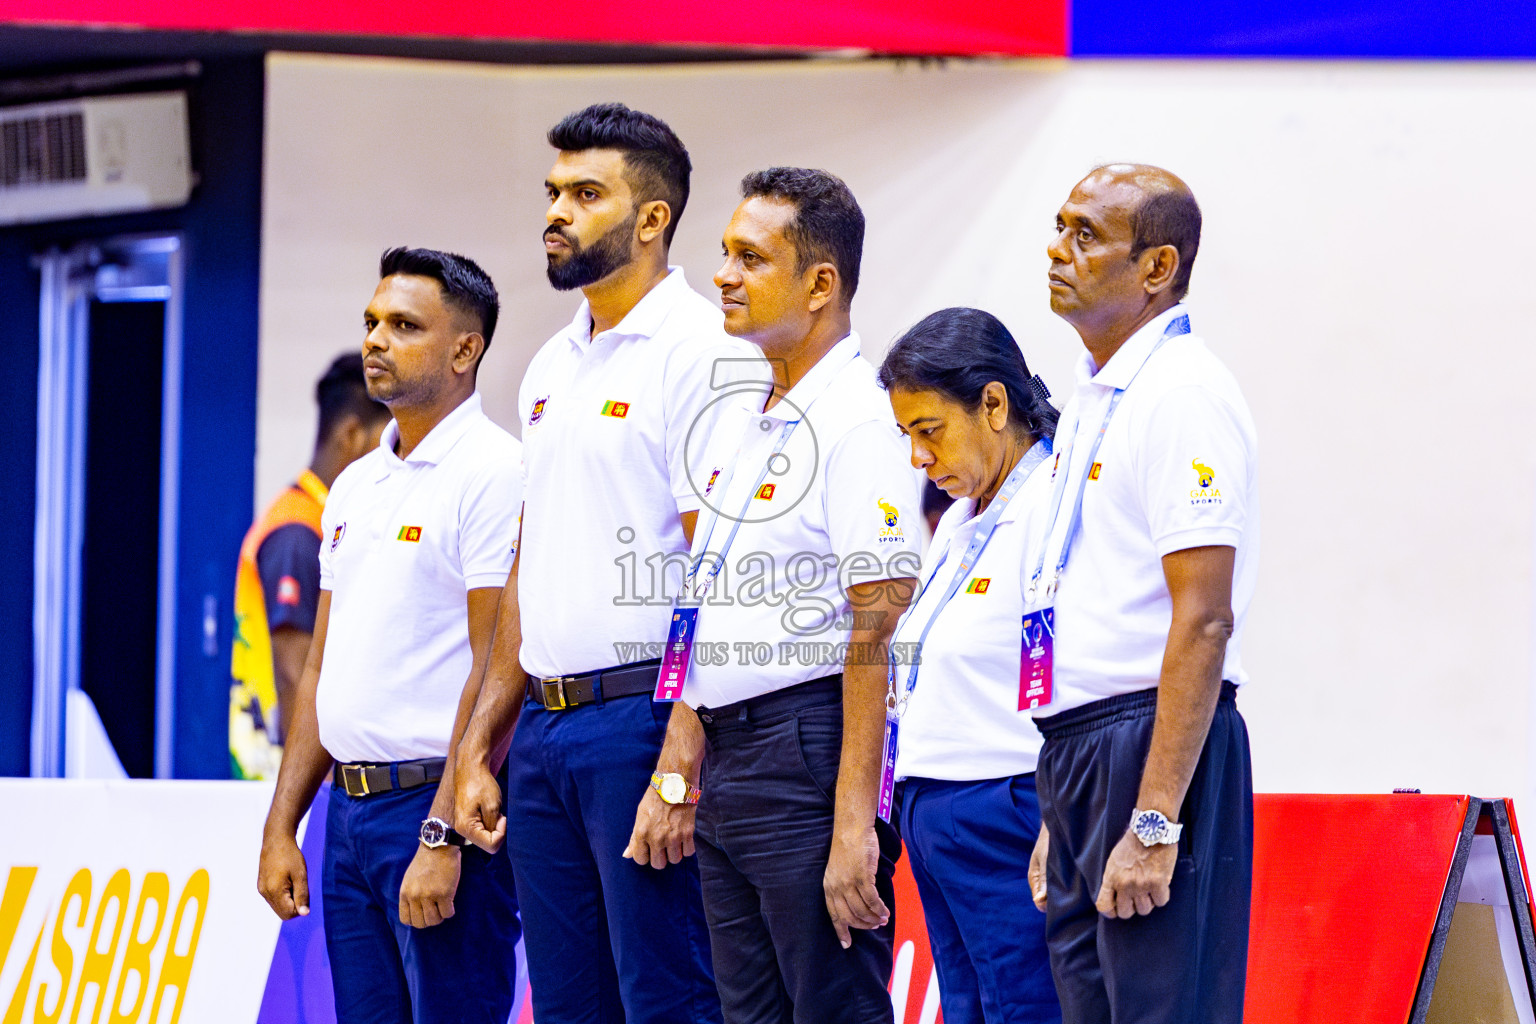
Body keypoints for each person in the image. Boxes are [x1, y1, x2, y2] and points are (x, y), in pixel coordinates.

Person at [453, 103, 754, 1024]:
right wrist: (478, 745)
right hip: (544, 733)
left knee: (667, 999)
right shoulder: (549, 365)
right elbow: (526, 570)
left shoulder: (703, 351)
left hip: (644, 720)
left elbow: (720, 565)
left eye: (586, 194)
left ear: (652, 219)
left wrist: (680, 758)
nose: (558, 211)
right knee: (571, 1007)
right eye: (553, 192)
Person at [626, 167, 919, 1024]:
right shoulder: (753, 416)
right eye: (724, 252)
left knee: (831, 1007)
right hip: (733, 757)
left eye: (750, 257)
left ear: (821, 283)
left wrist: (854, 824)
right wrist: (683, 773)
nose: (723, 273)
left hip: (808, 749)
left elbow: (878, 626)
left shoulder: (860, 424)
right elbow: (707, 605)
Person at [256, 247, 523, 1024]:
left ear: (464, 350)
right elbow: (322, 675)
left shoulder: (494, 471)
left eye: (404, 325)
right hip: (349, 817)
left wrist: (441, 834)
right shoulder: (352, 487)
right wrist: (284, 826)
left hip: (432, 809)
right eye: (372, 321)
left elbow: (496, 667)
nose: (376, 338)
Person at [1024, 165, 1259, 1024]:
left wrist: (1155, 818)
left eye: (1087, 235)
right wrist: (1064, 807)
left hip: (1149, 740)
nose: (1058, 250)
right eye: (1058, 226)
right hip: (1083, 748)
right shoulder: (1094, 398)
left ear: (1157, 267)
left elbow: (1204, 617)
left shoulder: (1181, 393)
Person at [875, 307, 1063, 1024]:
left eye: (930, 431)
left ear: (993, 403)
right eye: (907, 436)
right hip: (935, 808)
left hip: (1006, 805)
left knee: (1027, 1009)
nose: (918, 458)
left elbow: (1076, 670)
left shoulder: (1050, 502)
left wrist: (1059, 816)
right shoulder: (956, 522)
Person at [230, 352, 389, 780]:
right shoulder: (296, 532)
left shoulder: (318, 518)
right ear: (353, 435)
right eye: (385, 442)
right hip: (282, 770)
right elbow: (294, 669)